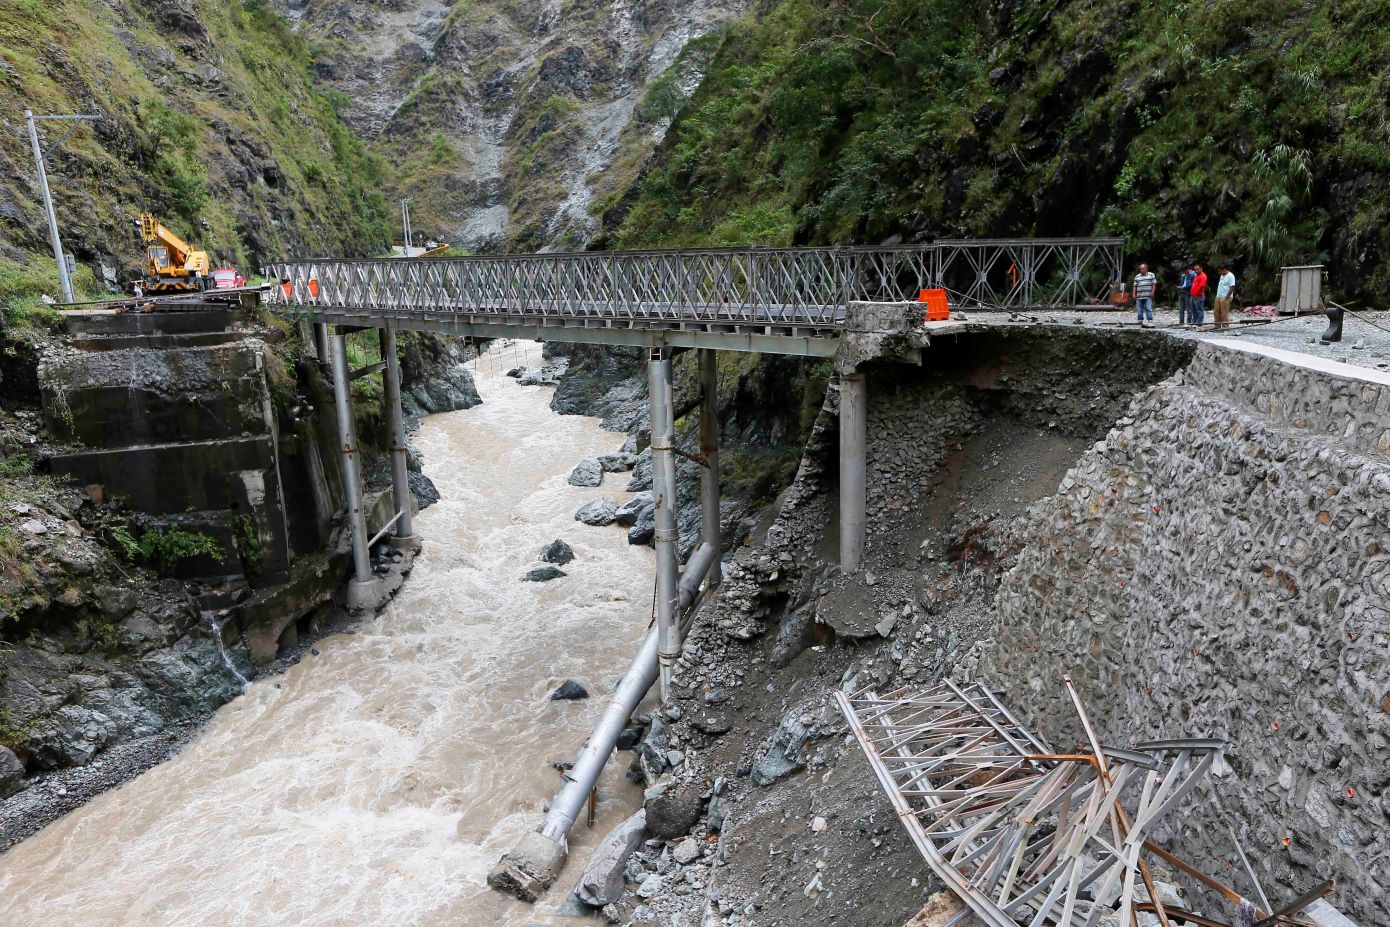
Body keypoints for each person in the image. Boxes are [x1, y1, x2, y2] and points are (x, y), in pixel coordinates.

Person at [1214, 263, 1236, 329]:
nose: (1219, 272)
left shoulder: (1230, 276)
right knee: (1216, 312)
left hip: (1225, 296)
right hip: (1219, 296)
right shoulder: (1222, 276)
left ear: (1224, 269)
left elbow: (1232, 287)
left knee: (1224, 312)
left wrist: (1227, 297)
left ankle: (1225, 326)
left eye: (1220, 271)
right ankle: (1217, 326)